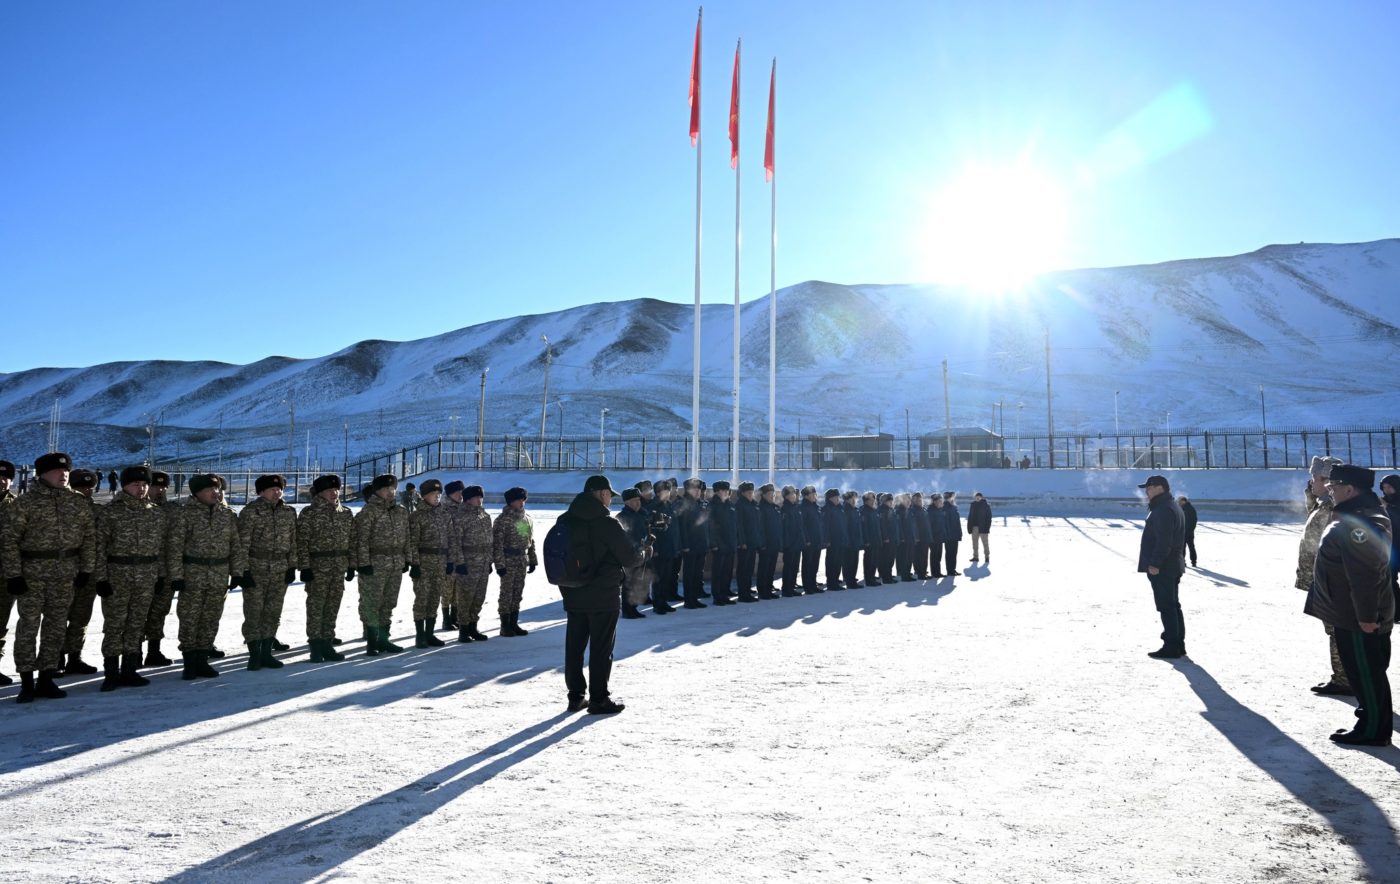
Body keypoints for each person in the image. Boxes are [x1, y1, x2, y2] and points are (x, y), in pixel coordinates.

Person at [1304, 463, 1393, 746]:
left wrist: (1366, 617)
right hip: (1351, 612)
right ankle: (1370, 723)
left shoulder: (1359, 524)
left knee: (1366, 674)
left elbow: (1365, 575)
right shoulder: (1357, 515)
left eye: (1334, 486)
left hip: (1357, 617)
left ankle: (1373, 730)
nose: (1329, 490)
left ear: (1350, 489)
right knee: (1365, 673)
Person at [2, 453, 96, 702]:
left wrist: (86, 570)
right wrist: (13, 574)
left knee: (55, 627)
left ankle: (46, 678)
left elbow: (89, 538)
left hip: (65, 574)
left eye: (66, 471)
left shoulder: (77, 502)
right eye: (57, 471)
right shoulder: (25, 503)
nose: (63, 474)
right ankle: (26, 681)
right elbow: (9, 541)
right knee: (28, 627)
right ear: (42, 474)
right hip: (32, 574)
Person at [557, 475, 649, 714]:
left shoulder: (565, 519)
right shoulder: (606, 523)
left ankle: (575, 696)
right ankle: (599, 699)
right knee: (601, 648)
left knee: (574, 647)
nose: (610, 499)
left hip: (573, 591)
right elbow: (628, 558)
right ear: (600, 493)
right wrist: (644, 553)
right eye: (609, 494)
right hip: (603, 594)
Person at [166, 474, 245, 680]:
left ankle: (203, 659)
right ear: (197, 493)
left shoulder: (227, 514)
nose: (215, 493)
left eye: (217, 489)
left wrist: (237, 573)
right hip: (193, 574)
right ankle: (189, 662)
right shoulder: (185, 515)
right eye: (210, 490)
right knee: (190, 618)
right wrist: (176, 576)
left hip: (219, 574)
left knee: (211, 618)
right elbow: (174, 548)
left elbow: (235, 546)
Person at [93, 466, 162, 691]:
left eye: (144, 485)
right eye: (135, 484)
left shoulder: (155, 513)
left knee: (136, 624)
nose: (141, 489)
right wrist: (101, 578)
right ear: (124, 486)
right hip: (117, 576)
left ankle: (130, 670)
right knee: (114, 625)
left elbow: (161, 548)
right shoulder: (110, 512)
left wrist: (159, 576)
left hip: (146, 576)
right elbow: (99, 548)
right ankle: (111, 672)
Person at [1298, 456, 1349, 696]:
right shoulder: (1325, 504)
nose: (1311, 482)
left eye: (1315, 478)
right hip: (1322, 579)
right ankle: (1343, 677)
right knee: (1334, 630)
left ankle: (1345, 680)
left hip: (1330, 580)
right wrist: (1311, 496)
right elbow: (1313, 522)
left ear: (1326, 480)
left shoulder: (1333, 508)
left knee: (1337, 630)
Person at [238, 475, 298, 670]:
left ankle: (266, 653)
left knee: (273, 613)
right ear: (261, 491)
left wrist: (292, 566)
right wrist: (243, 571)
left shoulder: (288, 512)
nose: (277, 492)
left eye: (279, 489)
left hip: (280, 569)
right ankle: (254, 654)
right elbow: (242, 544)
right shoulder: (251, 512)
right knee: (254, 612)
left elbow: (293, 541)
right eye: (272, 489)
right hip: (256, 568)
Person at [296, 474, 353, 663]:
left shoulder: (345, 513)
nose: (334, 493)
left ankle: (328, 644)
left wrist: (351, 565)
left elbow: (352, 541)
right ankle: (315, 646)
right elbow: (301, 542)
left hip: (338, 568)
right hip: (317, 568)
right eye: (329, 490)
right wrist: (304, 567)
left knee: (332, 607)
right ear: (320, 493)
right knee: (316, 608)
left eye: (336, 490)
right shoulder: (309, 513)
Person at [354, 474, 411, 655]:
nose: (390, 492)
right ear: (377, 491)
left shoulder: (401, 511)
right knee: (372, 603)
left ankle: (384, 640)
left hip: (395, 564)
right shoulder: (368, 512)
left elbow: (407, 537)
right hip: (374, 565)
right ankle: (372, 642)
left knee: (388, 603)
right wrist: (363, 563)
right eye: (386, 489)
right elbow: (360, 541)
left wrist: (407, 559)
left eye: (393, 488)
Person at [1137, 475, 1187, 659]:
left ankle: (1172, 646)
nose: (1147, 491)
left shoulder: (1163, 509)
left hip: (1164, 566)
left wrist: (1155, 563)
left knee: (1167, 606)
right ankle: (1177, 644)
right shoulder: (1170, 505)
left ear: (1160, 488)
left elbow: (1164, 541)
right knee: (1173, 605)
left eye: (1149, 488)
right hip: (1172, 564)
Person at [61, 468, 101, 675]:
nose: (86, 491)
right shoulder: (61, 509)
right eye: (81, 487)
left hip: (89, 572)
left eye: (90, 487)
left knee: (81, 617)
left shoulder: (99, 511)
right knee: (58, 616)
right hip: (63, 572)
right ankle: (56, 657)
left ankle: (74, 657)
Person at [407, 478, 454, 646]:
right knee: (422, 599)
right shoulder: (417, 516)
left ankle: (430, 634)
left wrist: (450, 561)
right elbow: (412, 542)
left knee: (434, 598)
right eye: (434, 494)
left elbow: (451, 539)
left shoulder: (444, 514)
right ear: (424, 496)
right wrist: (415, 564)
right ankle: (420, 635)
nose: (437, 497)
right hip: (424, 563)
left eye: (439, 494)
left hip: (441, 563)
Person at [142, 470, 181, 666]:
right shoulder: (139, 509)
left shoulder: (174, 510)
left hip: (167, 571)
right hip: (142, 572)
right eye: (156, 486)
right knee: (138, 613)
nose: (161, 490)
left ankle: (154, 651)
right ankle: (133, 652)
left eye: (164, 487)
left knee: (159, 612)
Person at [492, 487, 537, 636]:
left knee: (518, 592)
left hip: (521, 560)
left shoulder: (525, 519)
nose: (521, 502)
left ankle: (513, 623)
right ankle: (505, 625)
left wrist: (532, 559)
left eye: (523, 499)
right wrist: (500, 565)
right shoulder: (502, 520)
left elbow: (529, 540)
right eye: (518, 500)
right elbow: (497, 545)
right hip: (508, 560)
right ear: (510, 502)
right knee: (506, 593)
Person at [453, 483, 495, 642]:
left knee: (479, 597)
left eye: (481, 497)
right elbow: (455, 542)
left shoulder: (485, 516)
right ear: (467, 499)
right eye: (476, 497)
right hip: (468, 563)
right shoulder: (460, 517)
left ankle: (473, 627)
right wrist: (459, 563)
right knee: (465, 598)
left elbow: (490, 541)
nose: (479, 500)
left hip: (483, 563)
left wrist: (489, 561)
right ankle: (463, 630)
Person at [617, 488, 652, 618]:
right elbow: (624, 538)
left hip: (643, 553)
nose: (638, 503)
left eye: (639, 500)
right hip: (630, 555)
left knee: (638, 582)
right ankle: (627, 610)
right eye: (634, 500)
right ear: (626, 502)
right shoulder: (622, 517)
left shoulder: (642, 514)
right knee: (629, 583)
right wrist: (637, 545)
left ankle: (634, 607)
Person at [0, 459, 18, 686]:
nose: (2, 481)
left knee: (0, 622)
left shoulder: (17, 506)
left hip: (6, 574)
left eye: (6, 477)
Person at [677, 478, 709, 608]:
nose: (697, 491)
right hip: (690, 545)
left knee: (697, 573)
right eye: (694, 489)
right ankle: (689, 600)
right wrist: (685, 545)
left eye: (699, 489)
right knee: (690, 574)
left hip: (700, 544)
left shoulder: (699, 503)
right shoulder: (684, 504)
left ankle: (695, 598)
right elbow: (683, 526)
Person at [648, 480, 679, 613]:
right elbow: (650, 529)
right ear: (658, 492)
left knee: (667, 577)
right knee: (658, 578)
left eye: (668, 491)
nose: (667, 494)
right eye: (664, 491)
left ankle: (664, 601)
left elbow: (675, 528)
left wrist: (676, 545)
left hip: (669, 546)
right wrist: (654, 549)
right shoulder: (653, 507)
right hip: (659, 548)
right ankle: (658, 604)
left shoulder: (670, 505)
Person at [707, 481, 738, 604]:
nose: (726, 492)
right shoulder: (713, 505)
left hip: (730, 543)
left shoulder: (730, 505)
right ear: (717, 492)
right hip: (719, 544)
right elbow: (710, 527)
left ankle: (725, 593)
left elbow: (734, 525)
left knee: (727, 571)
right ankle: (717, 596)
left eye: (727, 490)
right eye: (723, 490)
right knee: (718, 572)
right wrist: (714, 543)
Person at [735, 482, 762, 602]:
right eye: (749, 493)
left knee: (750, 569)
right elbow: (739, 525)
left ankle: (747, 589)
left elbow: (758, 525)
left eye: (752, 492)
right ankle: (743, 593)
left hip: (753, 541)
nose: (751, 494)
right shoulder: (740, 505)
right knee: (743, 569)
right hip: (745, 543)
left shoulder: (754, 505)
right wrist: (742, 542)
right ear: (742, 493)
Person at [756, 484, 782, 599]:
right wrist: (762, 543)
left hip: (774, 543)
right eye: (770, 494)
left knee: (771, 568)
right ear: (763, 495)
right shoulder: (761, 508)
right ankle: (762, 590)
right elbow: (760, 528)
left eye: (773, 494)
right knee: (764, 568)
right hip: (766, 544)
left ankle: (768, 588)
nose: (772, 496)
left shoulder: (775, 507)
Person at [799, 486, 824, 593]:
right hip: (809, 541)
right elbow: (802, 525)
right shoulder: (803, 507)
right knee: (807, 565)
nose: (815, 496)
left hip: (817, 540)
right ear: (806, 496)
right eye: (813, 494)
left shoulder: (815, 507)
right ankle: (807, 586)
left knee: (814, 564)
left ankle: (813, 584)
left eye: (815, 494)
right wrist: (807, 540)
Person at [822, 489, 848, 590]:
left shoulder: (839, 508)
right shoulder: (827, 509)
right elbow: (825, 526)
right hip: (832, 541)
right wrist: (827, 540)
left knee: (838, 562)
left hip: (840, 540)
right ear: (830, 498)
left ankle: (835, 581)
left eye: (838, 497)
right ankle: (831, 583)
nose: (838, 499)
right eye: (836, 497)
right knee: (832, 562)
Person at [1380, 474, 1400, 599]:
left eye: (1390, 487)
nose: (1387, 490)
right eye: (1384, 487)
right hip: (1390, 545)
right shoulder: (1382, 501)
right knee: (1390, 579)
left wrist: (1388, 507)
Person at [941, 491, 963, 577]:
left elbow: (957, 522)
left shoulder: (954, 507)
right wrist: (947, 534)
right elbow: (945, 523)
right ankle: (950, 570)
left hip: (955, 534)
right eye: (952, 497)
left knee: (954, 553)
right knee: (950, 553)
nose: (954, 498)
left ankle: (953, 569)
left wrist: (959, 533)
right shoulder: (945, 507)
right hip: (949, 535)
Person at [968, 492, 992, 565]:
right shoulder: (972, 505)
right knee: (974, 543)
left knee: (985, 543)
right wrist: (969, 527)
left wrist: (987, 528)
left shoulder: (986, 505)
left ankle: (987, 557)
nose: (977, 498)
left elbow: (989, 517)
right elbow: (970, 516)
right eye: (976, 497)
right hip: (974, 527)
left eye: (979, 497)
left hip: (983, 527)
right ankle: (975, 557)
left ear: (982, 497)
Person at [1179, 495, 1198, 567]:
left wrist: (1190, 530)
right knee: (1182, 548)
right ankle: (1182, 562)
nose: (1179, 503)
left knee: (1191, 547)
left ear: (1184, 501)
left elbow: (1194, 521)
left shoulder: (1190, 509)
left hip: (1189, 533)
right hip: (1182, 532)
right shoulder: (1181, 509)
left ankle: (1193, 561)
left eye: (1180, 502)